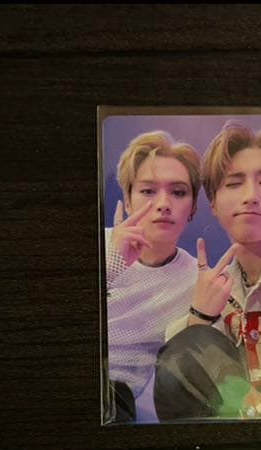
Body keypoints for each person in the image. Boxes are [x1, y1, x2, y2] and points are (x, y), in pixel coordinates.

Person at [155, 121, 261, 421]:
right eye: (234, 184)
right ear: (212, 203)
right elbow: (180, 382)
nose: (251, 196)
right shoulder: (217, 290)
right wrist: (200, 316)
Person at [104, 130, 205, 424]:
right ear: (128, 200)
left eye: (178, 192)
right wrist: (111, 265)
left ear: (193, 207)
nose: (163, 203)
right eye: (148, 191)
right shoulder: (99, 245)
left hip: (115, 399)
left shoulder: (197, 280)